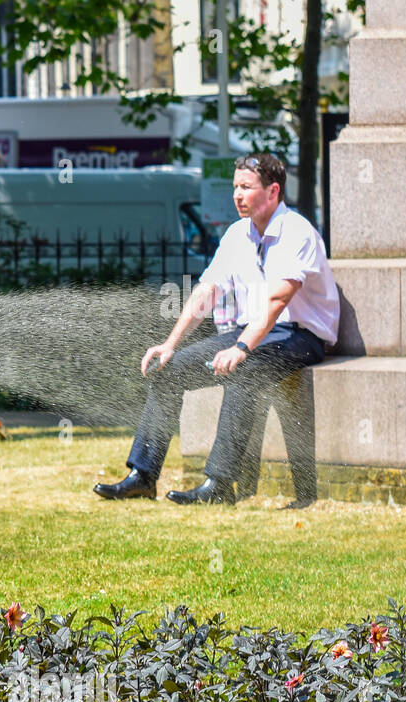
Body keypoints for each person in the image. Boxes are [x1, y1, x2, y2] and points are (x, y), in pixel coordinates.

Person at [94, 152, 338, 505]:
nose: (237, 195)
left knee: (245, 370)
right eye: (235, 187)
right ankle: (142, 475)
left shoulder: (297, 232)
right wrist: (170, 345)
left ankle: (219, 485)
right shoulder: (237, 234)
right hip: (252, 330)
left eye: (246, 187)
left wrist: (241, 349)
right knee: (169, 370)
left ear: (273, 191)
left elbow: (278, 302)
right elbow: (206, 292)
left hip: (300, 335)